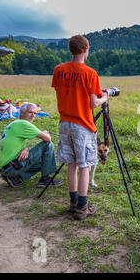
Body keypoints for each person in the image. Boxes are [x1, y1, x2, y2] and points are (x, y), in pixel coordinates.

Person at [51, 35, 109, 221]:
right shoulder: (90, 73)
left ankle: (73, 202)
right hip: (82, 124)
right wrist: (105, 97)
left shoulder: (58, 70)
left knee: (72, 163)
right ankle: (83, 207)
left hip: (64, 123)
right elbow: (93, 103)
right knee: (84, 165)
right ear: (85, 49)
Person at [0, 102, 63, 188]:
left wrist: (26, 149)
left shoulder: (14, 123)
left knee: (45, 161)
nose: (33, 115)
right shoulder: (24, 124)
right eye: (30, 112)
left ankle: (15, 178)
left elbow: (12, 144)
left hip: (5, 168)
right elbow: (47, 139)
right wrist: (45, 133)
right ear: (21, 112)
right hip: (11, 167)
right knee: (47, 145)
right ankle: (45, 180)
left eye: (35, 113)